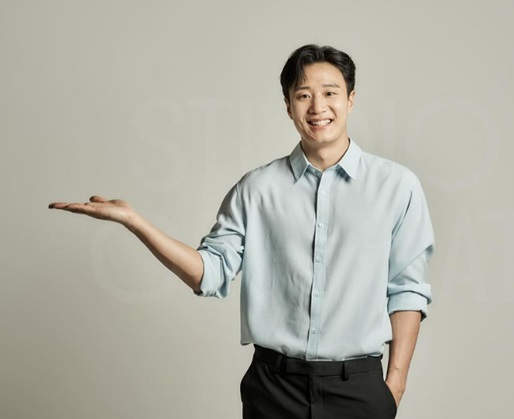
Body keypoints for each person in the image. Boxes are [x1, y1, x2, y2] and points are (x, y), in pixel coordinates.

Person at [49, 44, 434, 419]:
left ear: (350, 99)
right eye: (303, 95)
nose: (317, 107)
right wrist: (135, 221)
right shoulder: (257, 189)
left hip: (359, 390)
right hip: (274, 390)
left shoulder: (397, 187)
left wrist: (395, 385)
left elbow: (406, 289)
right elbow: (209, 272)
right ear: (288, 106)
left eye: (330, 93)